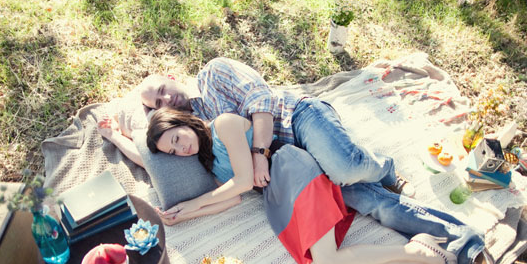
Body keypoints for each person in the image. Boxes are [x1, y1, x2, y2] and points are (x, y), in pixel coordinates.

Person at [142, 108, 496, 264]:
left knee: (342, 247)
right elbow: (233, 199)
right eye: (171, 151)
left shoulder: (223, 125)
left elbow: (245, 180)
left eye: (176, 137)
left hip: (293, 169)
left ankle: (442, 249)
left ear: (183, 121)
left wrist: (195, 203)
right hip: (277, 198)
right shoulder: (212, 167)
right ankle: (418, 255)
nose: (180, 148)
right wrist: (184, 214)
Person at [137, 57, 414, 197]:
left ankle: (385, 167)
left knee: (345, 168)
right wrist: (121, 133)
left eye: (163, 89)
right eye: (158, 103)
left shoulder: (213, 73)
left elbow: (261, 98)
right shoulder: (191, 130)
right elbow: (154, 144)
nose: (166, 99)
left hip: (297, 119)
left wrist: (259, 154)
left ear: (172, 77)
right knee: (354, 198)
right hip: (289, 163)